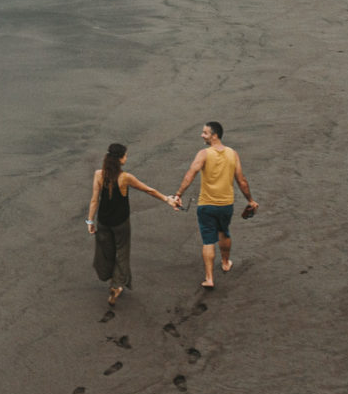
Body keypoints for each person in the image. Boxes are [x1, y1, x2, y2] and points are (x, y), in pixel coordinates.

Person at [86, 142, 179, 305]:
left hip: (104, 222)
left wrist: (90, 220)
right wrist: (167, 199)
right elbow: (148, 190)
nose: (126, 158)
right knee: (122, 252)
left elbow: (94, 200)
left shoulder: (98, 175)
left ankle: (108, 276)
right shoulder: (125, 178)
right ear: (120, 159)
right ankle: (116, 285)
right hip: (121, 223)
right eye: (125, 155)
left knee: (106, 252)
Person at [169, 121, 259, 289]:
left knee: (208, 240)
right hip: (226, 205)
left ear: (214, 135)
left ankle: (209, 278)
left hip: (206, 205)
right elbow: (242, 181)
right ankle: (225, 263)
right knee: (224, 232)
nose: (202, 135)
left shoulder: (203, 154)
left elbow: (190, 174)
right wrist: (250, 200)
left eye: (205, 133)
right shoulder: (233, 154)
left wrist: (178, 194)